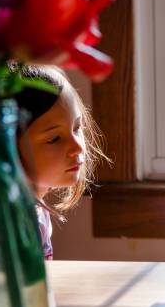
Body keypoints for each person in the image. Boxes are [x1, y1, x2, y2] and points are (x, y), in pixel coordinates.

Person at [14, 65, 108, 260]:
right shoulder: (6, 227)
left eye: (76, 128)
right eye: (55, 139)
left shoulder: (36, 212)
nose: (78, 147)